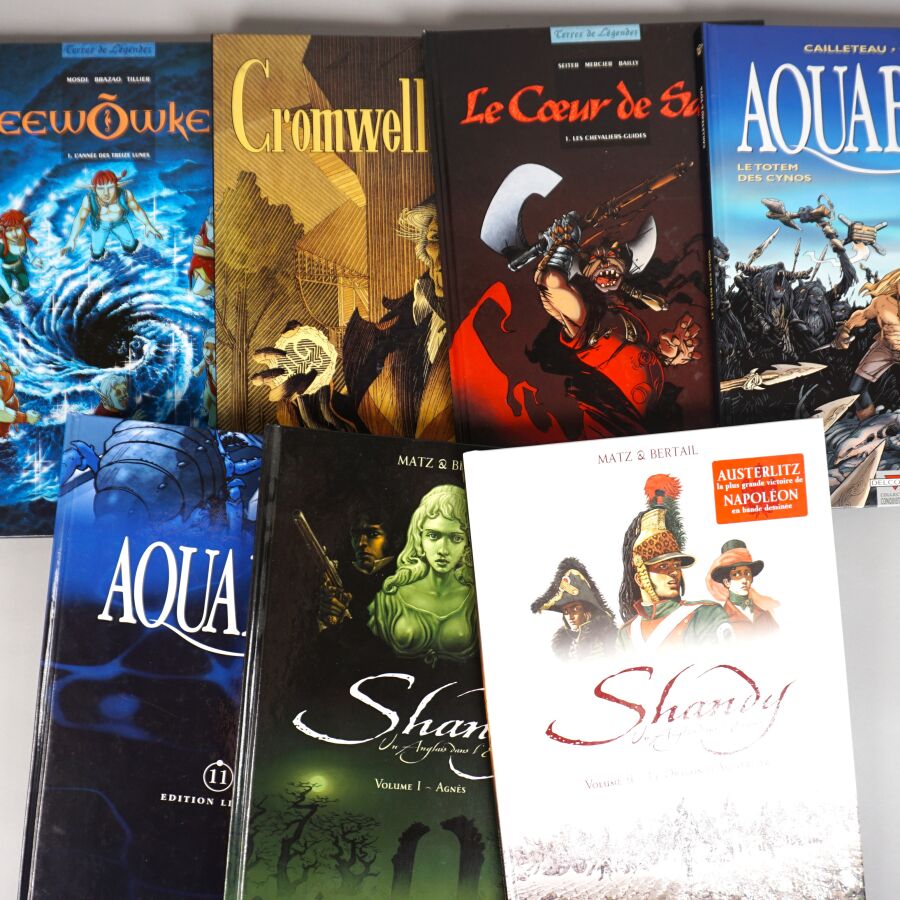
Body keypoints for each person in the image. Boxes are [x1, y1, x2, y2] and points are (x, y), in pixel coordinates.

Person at [618, 475, 732, 652]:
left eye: (676, 565)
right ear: (640, 579)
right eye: (663, 566)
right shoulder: (626, 634)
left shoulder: (705, 615)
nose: (674, 572)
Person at [368, 484, 476, 664]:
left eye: (456, 538)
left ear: (467, 544)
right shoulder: (390, 598)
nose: (443, 550)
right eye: (433, 536)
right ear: (419, 538)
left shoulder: (476, 601)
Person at [317, 503, 397, 636]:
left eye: (373, 534)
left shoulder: (406, 577)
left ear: (394, 539)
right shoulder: (341, 574)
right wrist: (327, 621)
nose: (361, 543)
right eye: (356, 534)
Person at [60, 169, 162, 261]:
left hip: (119, 222)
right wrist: (72, 239)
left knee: (131, 246)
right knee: (97, 254)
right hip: (100, 225)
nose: (106, 193)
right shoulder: (89, 199)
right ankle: (97, 252)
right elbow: (81, 218)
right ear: (95, 189)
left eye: (110, 187)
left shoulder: (125, 194)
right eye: (101, 188)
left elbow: (136, 209)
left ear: (116, 186)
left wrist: (148, 224)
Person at [531, 558, 616, 661]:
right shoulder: (565, 645)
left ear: (587, 612)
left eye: (575, 609)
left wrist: (585, 629)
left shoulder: (604, 636)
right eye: (566, 612)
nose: (570, 617)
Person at [706, 539, 779, 639]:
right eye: (737, 575)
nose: (744, 580)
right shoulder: (721, 621)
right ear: (727, 582)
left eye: (747, 573)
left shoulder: (765, 615)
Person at [0, 209, 39, 305]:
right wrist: (11, 294)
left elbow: (26, 249)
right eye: (9, 230)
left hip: (19, 266)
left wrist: (32, 259)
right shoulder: (1, 246)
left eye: (17, 228)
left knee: (25, 285)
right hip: (4, 271)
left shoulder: (21, 238)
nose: (14, 234)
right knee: (3, 297)